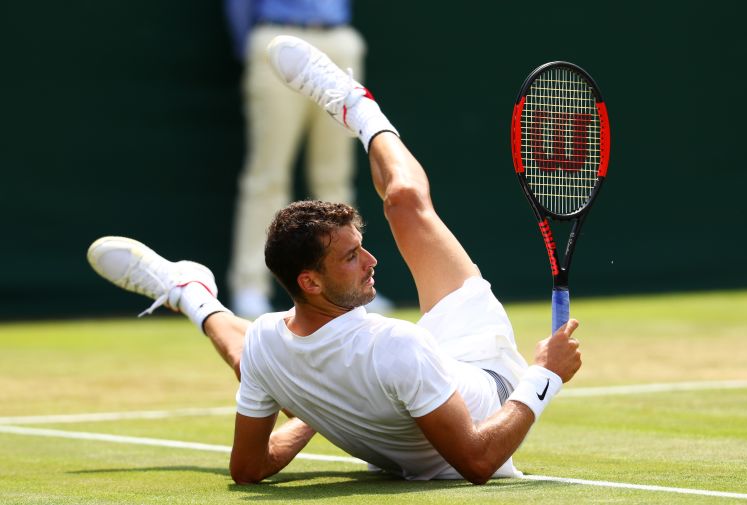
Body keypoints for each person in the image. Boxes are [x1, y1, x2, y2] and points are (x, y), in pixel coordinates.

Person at [87, 36, 582, 484]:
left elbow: (248, 469)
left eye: (360, 246)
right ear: (311, 281)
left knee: (402, 204)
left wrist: (315, 410)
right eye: (350, 256)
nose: (371, 260)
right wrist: (544, 375)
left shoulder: (275, 342)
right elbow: (477, 461)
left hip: (426, 374)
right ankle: (188, 290)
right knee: (259, 360)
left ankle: (357, 110)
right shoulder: (396, 344)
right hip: (488, 375)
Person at [223, 0, 392, 316]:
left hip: (338, 44)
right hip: (274, 40)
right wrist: (251, 45)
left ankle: (350, 285)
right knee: (267, 175)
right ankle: (250, 287)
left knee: (334, 176)